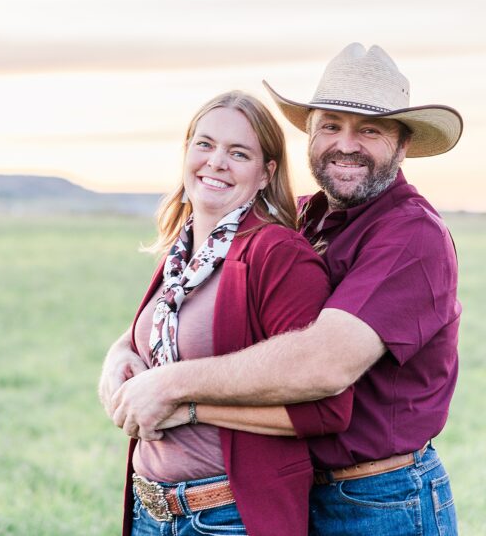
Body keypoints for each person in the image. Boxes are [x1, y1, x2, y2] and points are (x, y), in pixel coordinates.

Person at [103, 44, 462, 536]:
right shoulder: (305, 215)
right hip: (294, 484)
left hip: (378, 497)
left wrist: (173, 391)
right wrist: (120, 352)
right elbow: (183, 306)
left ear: (401, 145)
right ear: (310, 135)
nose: (346, 143)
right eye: (330, 125)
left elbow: (323, 365)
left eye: (370, 130)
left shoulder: (409, 235)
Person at [102, 90, 351, 536]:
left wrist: (192, 406)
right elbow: (175, 339)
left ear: (265, 174)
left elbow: (328, 411)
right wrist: (117, 355)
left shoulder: (278, 253)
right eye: (205, 144)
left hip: (227, 516)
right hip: (151, 513)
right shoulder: (182, 255)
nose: (216, 161)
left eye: (239, 153)